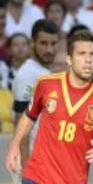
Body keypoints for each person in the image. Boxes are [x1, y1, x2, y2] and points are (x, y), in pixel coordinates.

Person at [6, 30, 93, 184]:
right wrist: (14, 145)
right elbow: (29, 116)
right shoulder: (46, 84)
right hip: (36, 181)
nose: (88, 60)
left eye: (92, 54)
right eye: (82, 54)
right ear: (69, 59)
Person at [12, 19, 59, 166]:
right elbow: (21, 125)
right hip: (33, 164)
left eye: (53, 44)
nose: (49, 50)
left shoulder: (45, 73)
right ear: (32, 43)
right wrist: (25, 172)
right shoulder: (28, 74)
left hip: (46, 161)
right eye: (43, 43)